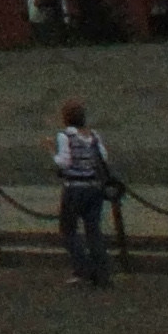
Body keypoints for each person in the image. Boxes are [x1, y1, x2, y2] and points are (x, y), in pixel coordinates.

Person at [51, 104, 118, 288]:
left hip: (74, 188)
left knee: (68, 229)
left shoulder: (65, 136)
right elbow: (103, 158)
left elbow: (64, 162)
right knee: (93, 230)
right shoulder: (94, 136)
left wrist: (51, 152)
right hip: (94, 188)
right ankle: (102, 271)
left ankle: (83, 269)